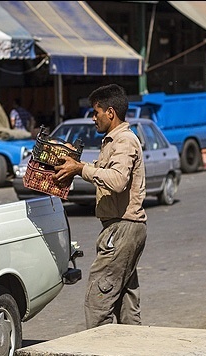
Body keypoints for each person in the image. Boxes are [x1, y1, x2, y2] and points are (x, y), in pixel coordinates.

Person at [53, 83, 147, 329]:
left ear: (111, 112)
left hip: (123, 228)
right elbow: (103, 170)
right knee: (125, 302)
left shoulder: (124, 141)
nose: (93, 118)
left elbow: (116, 181)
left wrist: (80, 168)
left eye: (96, 113)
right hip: (123, 228)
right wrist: (77, 165)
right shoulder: (112, 142)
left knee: (98, 301)